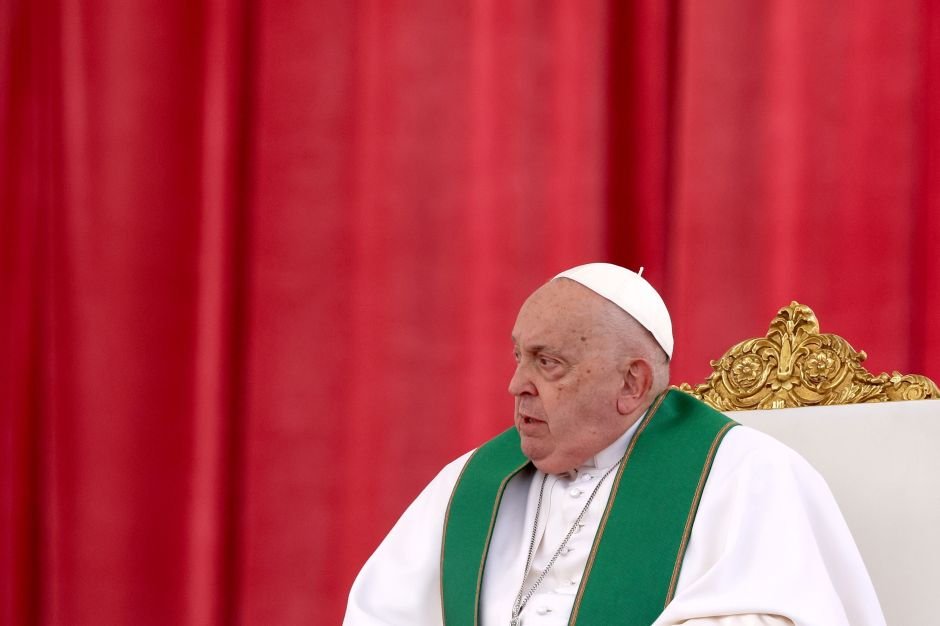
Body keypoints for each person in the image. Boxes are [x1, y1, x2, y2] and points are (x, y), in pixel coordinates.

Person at [343, 263, 886, 626]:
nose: (516, 385)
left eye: (548, 363)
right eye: (519, 357)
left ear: (632, 383)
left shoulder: (745, 475)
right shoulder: (471, 482)